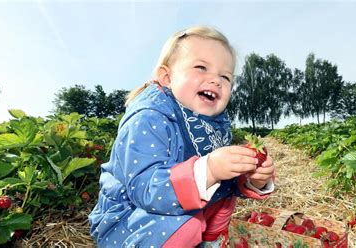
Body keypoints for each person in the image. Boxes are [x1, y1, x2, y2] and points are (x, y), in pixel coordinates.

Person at [88, 25, 275, 248]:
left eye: (225, 77)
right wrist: (210, 169)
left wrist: (252, 178)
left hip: (177, 209)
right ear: (166, 77)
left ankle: (207, 242)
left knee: (220, 198)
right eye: (201, 67)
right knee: (187, 224)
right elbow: (145, 188)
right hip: (128, 219)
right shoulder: (148, 117)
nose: (215, 80)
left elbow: (222, 183)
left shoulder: (211, 125)